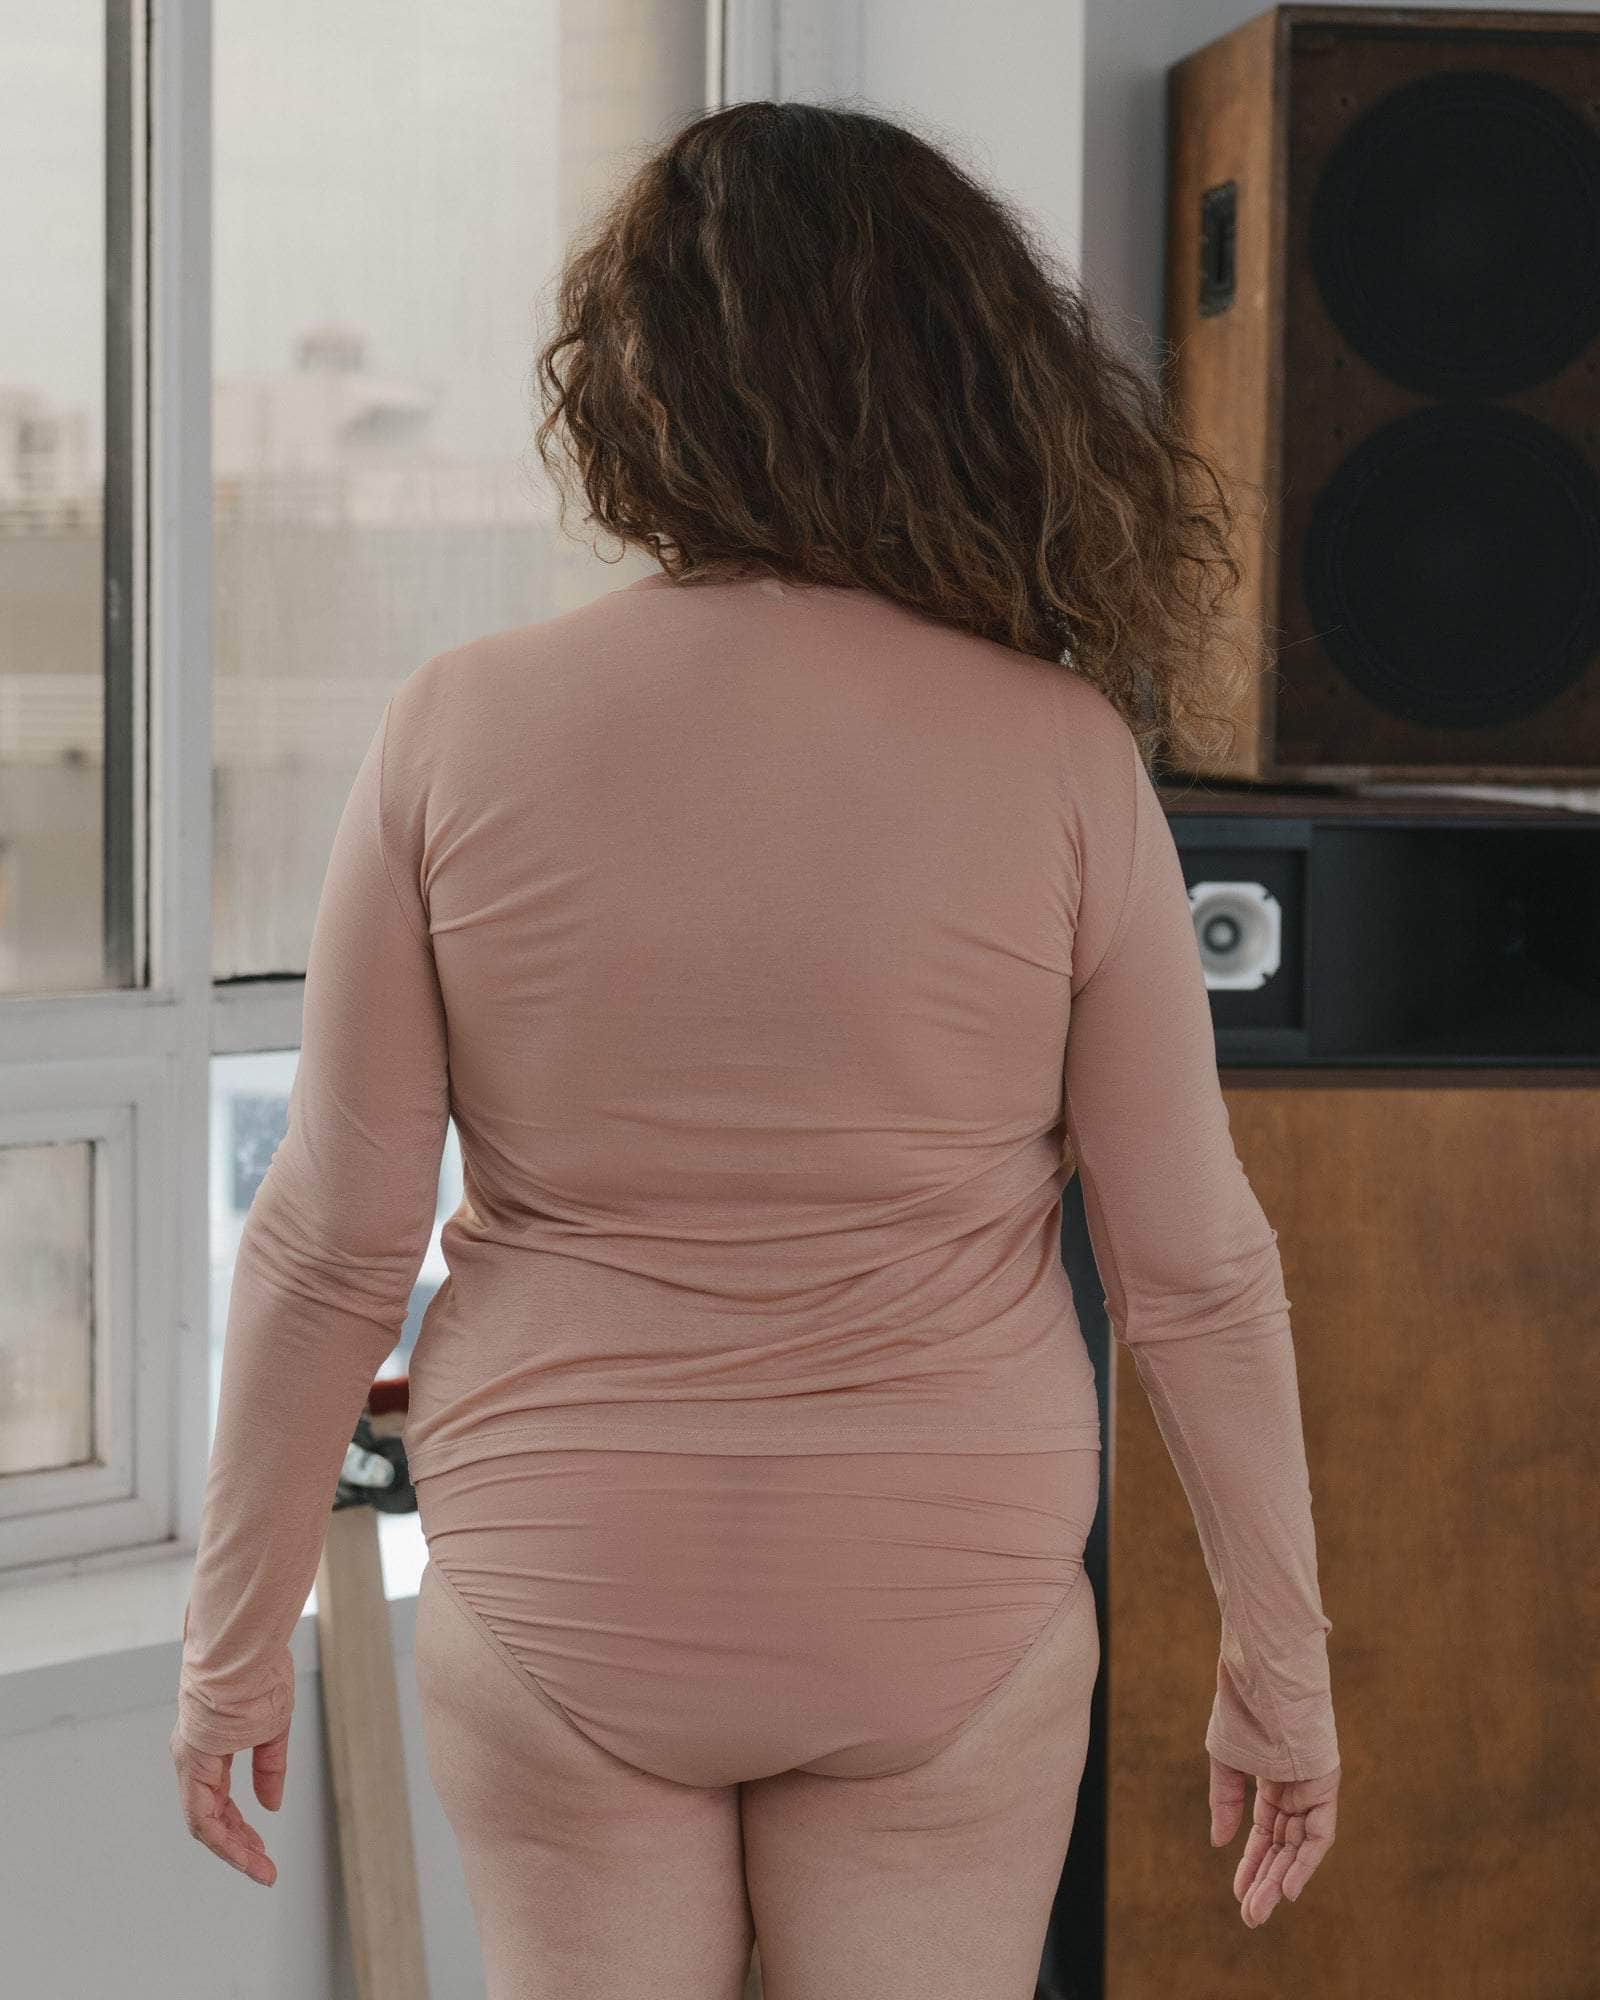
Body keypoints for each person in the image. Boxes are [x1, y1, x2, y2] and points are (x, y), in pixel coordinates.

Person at [173, 98, 1340, 1996]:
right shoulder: (1062, 757)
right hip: (942, 1589)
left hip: (567, 1573)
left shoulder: (457, 729)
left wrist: (230, 1641)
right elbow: (1192, 1270)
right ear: (966, 376)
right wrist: (1278, 1658)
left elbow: (331, 1242)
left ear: (636, 388)